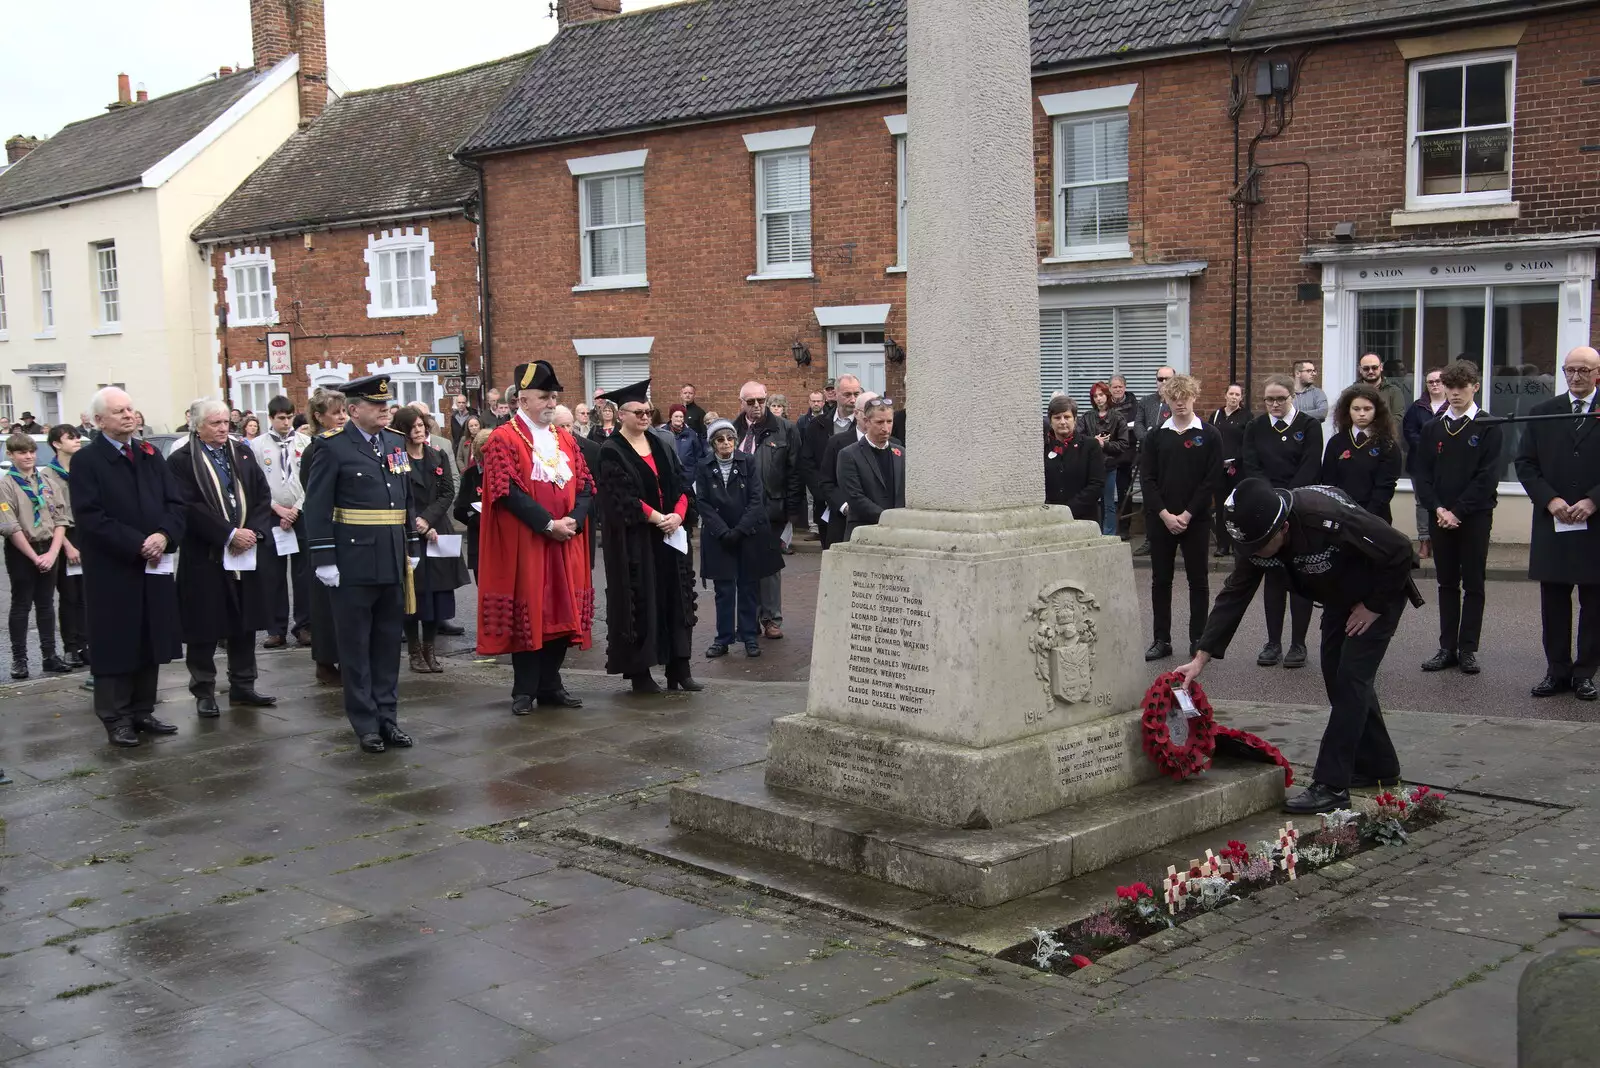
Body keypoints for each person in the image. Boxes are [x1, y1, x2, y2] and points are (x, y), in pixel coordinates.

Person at [1175, 477, 1416, 814]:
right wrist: (1200, 658)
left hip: (1379, 592)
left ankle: (1331, 786)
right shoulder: (1256, 536)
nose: (1254, 555)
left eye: (1260, 546)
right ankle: (1379, 765)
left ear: (1284, 527)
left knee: (1351, 679)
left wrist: (1374, 606)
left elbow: (1401, 550)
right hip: (1338, 595)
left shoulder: (1325, 516)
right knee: (1337, 677)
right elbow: (1234, 594)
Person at [305, 374, 422, 753]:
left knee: (388, 644)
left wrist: (412, 542)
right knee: (355, 647)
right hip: (352, 561)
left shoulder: (394, 442)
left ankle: (388, 718)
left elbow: (405, 496)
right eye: (377, 405)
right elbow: (317, 507)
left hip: (390, 557)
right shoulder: (332, 447)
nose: (385, 410)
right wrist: (323, 557)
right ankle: (365, 724)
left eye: (386, 405)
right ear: (354, 410)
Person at [71, 387, 185, 747]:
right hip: (114, 568)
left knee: (149, 636)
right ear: (99, 420)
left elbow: (175, 503)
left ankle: (142, 708)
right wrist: (138, 543)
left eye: (131, 409)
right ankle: (115, 716)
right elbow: (91, 517)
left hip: (154, 563)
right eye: (119, 411)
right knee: (116, 640)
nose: (128, 415)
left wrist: (165, 535)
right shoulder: (88, 461)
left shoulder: (150, 455)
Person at [170, 400, 278, 717]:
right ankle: (204, 690)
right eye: (215, 423)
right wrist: (228, 534)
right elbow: (188, 506)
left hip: (244, 553)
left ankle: (244, 685)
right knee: (204, 624)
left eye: (225, 422)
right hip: (206, 554)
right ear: (197, 426)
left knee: (244, 623)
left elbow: (261, 495)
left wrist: (253, 532)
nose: (222, 428)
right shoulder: (182, 460)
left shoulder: (242, 452)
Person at [594, 379, 700, 694]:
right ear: (621, 414)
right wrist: (657, 518)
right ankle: (640, 672)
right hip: (637, 541)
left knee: (676, 599)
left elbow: (682, 485)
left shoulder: (662, 444)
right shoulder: (611, 451)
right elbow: (620, 496)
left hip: (669, 536)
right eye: (638, 412)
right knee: (641, 600)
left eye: (648, 412)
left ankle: (679, 669)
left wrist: (678, 515)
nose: (645, 417)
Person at [1518, 345, 1600, 701]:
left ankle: (1585, 673)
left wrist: (1593, 500)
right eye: (1570, 370)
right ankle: (1557, 670)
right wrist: (1549, 499)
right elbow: (1525, 463)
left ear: (1597, 373)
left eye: (1584, 370)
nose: (1576, 377)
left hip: (1595, 525)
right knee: (1553, 602)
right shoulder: (1543, 413)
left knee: (1594, 604)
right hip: (1554, 521)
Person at [1414, 360, 1501, 676]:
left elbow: (1487, 476)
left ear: (1475, 387)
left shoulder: (1488, 424)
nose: (1454, 394)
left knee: (1474, 582)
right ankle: (1446, 647)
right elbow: (1421, 473)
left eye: (1461, 387)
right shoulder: (1432, 427)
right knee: (1446, 582)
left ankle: (1468, 649)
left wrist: (1457, 511)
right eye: (1449, 388)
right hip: (1441, 516)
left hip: (1474, 516)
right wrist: (1437, 508)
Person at [1242, 373, 1323, 668]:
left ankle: (1298, 644)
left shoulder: (1310, 427)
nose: (1274, 404)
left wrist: (1289, 499)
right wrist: (1270, 499)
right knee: (1274, 579)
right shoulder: (1255, 427)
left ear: (1293, 397)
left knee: (1300, 578)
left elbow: (1311, 465)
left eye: (1280, 399)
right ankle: (1273, 642)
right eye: (1269, 400)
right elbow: (1251, 465)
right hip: (1269, 511)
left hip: (1299, 509)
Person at [1140, 375, 1221, 661]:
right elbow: (1147, 479)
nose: (1180, 402)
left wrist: (1186, 514)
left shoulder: (1210, 435)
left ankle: (1199, 639)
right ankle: (1161, 639)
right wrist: (1165, 514)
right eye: (1174, 397)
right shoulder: (1155, 436)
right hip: (1161, 520)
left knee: (1198, 581)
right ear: (1166, 399)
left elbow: (1211, 480)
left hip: (1195, 520)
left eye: (1185, 396)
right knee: (1161, 580)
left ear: (1194, 397)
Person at [391, 406, 469, 674]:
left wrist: (429, 518)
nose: (419, 430)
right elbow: (398, 495)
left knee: (438, 594)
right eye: (412, 427)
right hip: (410, 532)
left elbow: (447, 491)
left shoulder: (437, 455)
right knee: (415, 595)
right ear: (402, 430)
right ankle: (413, 650)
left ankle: (430, 649)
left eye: (421, 425)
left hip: (438, 529)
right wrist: (417, 523)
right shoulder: (397, 459)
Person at [696, 418, 782, 658]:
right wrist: (723, 531)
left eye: (730, 439)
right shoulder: (704, 466)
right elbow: (702, 502)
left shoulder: (749, 462)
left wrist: (740, 530)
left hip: (747, 535)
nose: (726, 444)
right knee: (723, 590)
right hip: (718, 537)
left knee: (748, 588)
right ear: (713, 443)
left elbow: (757, 499)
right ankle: (722, 639)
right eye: (720, 440)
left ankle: (749, 637)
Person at [733, 380, 805, 639]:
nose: (756, 406)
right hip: (739, 511)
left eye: (761, 400)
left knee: (770, 566)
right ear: (741, 403)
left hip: (772, 508)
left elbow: (795, 472)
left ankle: (772, 619)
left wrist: (792, 513)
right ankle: (748, 619)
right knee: (744, 565)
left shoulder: (785, 430)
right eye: (750, 402)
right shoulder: (732, 430)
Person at [1, 433, 72, 678]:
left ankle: (49, 656)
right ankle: (19, 659)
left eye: (31, 451)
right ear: (10, 455)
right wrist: (34, 557)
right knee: (21, 605)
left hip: (49, 548)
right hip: (23, 551)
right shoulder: (6, 485)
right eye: (22, 452)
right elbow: (11, 527)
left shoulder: (46, 482)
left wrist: (52, 553)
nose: (28, 456)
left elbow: (61, 519)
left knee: (46, 604)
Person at [251, 396, 310, 650]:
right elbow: (256, 483)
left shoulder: (305, 443)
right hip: (271, 514)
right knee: (272, 574)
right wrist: (276, 508)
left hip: (300, 512)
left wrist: (295, 509)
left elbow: (311, 480)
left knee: (304, 573)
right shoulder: (256, 446)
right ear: (271, 418)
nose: (286, 422)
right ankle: (276, 629)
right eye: (281, 418)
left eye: (289, 417)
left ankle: (304, 625)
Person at [297, 388, 347, 685]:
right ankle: (325, 661)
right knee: (324, 602)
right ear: (318, 417)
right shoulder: (316, 449)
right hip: (327, 530)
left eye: (344, 411)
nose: (342, 417)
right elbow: (315, 495)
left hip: (348, 531)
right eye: (335, 412)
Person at [1321, 384, 1401, 522]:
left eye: (1367, 409)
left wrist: (1366, 517)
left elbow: (1385, 486)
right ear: (1348, 411)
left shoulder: (1387, 444)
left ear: (1377, 411)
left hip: (1375, 517)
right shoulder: (1336, 442)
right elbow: (1329, 482)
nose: (1362, 414)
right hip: (1341, 516)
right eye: (1356, 409)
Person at [802, 374, 862, 549]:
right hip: (825, 505)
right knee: (830, 552)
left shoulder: (863, 427)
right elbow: (807, 463)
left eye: (856, 394)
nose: (853, 399)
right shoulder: (818, 425)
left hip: (853, 503)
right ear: (835, 394)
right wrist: (825, 495)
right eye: (847, 394)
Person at [44, 424, 87, 669]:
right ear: (57, 444)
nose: (77, 440)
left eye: (77, 436)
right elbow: (51, 515)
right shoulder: (49, 475)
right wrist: (68, 546)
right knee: (69, 595)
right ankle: (71, 647)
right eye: (70, 438)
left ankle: (85, 644)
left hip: (85, 533)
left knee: (86, 595)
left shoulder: (81, 468)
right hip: (65, 535)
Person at [838, 396, 906, 539]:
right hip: (863, 532)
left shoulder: (900, 452)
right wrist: (886, 518)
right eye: (879, 422)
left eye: (889, 421)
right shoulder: (849, 454)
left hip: (897, 532)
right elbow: (855, 497)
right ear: (866, 422)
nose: (885, 428)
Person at [1403, 368, 1449, 560]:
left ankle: (1442, 542)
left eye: (1438, 381)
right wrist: (1427, 447)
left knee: (1444, 500)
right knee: (1422, 502)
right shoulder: (1417, 407)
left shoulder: (1452, 405)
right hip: (1420, 463)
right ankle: (1424, 541)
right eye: (1431, 382)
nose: (1435, 384)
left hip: (1447, 462)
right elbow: (1409, 430)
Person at [552, 403, 602, 571]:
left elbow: (596, 484)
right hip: (557, 516)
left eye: (569, 425)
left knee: (583, 568)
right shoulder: (545, 449)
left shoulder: (591, 449)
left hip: (584, 515)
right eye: (562, 426)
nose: (567, 430)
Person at [1043, 396, 1106, 522]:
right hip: (1049, 518)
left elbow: (1097, 485)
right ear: (1050, 421)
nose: (1062, 422)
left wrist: (1068, 510)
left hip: (1083, 518)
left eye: (1067, 417)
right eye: (1057, 418)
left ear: (1075, 419)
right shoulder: (1042, 448)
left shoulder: (1090, 446)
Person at [1081, 383, 1129, 536]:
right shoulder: (1087, 417)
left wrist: (1104, 444)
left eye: (1101, 395)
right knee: (1091, 502)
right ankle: (1093, 533)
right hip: (1090, 466)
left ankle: (1109, 534)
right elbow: (1078, 438)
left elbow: (1123, 444)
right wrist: (1092, 441)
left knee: (1108, 502)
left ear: (1107, 396)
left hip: (1109, 465)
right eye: (1095, 396)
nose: (1099, 399)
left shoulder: (1117, 417)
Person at [1209, 384, 1251, 556]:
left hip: (1238, 469)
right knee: (1221, 507)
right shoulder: (1216, 415)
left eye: (1237, 394)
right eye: (1231, 394)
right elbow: (1209, 439)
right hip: (1219, 469)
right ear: (1225, 395)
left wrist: (1236, 461)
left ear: (1241, 398)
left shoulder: (1247, 417)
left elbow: (1248, 443)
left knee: (1237, 507)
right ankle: (1222, 545)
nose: (1234, 397)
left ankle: (1237, 544)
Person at [453, 427, 494, 581]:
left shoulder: (507, 473)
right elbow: (459, 510)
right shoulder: (471, 475)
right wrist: (475, 518)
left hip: (503, 540)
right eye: (486, 451)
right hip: (479, 539)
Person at [1106, 374, 1140, 537]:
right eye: (1114, 387)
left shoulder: (1135, 405)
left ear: (1125, 388)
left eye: (1120, 387)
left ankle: (1124, 529)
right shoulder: (1105, 404)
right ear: (1109, 388)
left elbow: (1139, 426)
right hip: (1108, 454)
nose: (1117, 390)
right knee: (1106, 492)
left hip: (1126, 454)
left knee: (1124, 491)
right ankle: (1108, 526)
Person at [1357, 353, 1408, 442]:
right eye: (1366, 368)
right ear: (1360, 370)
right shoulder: (1351, 392)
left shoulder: (1394, 391)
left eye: (1374, 367)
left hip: (1386, 441)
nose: (1370, 371)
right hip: (1358, 441)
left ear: (1381, 367)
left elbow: (1398, 417)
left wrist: (1375, 429)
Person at [668, 404, 708, 473]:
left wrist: (695, 475)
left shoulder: (691, 434)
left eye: (681, 417)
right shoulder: (663, 433)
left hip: (688, 476)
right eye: (676, 416)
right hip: (669, 475)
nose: (678, 419)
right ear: (671, 417)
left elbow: (698, 456)